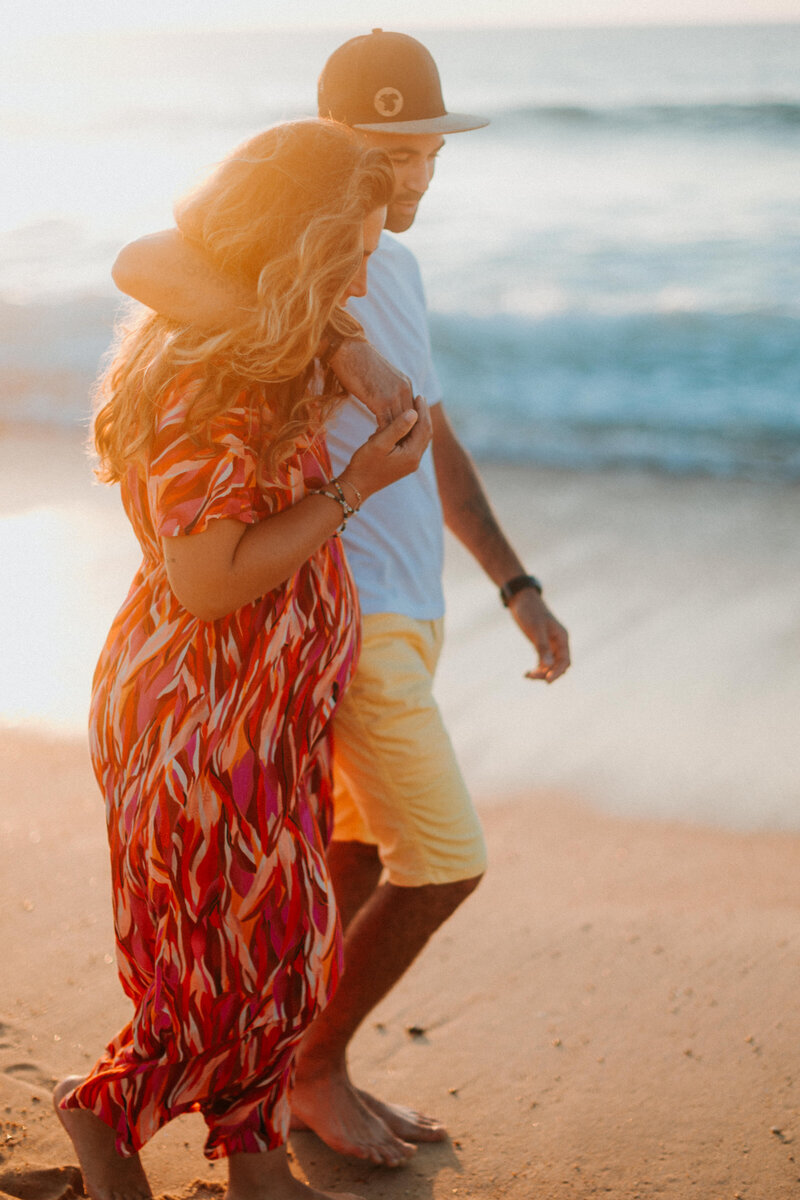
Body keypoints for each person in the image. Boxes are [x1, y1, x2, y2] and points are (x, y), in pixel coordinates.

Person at [111, 29, 571, 1169]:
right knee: (445, 854)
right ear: (330, 155)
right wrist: (333, 339)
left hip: (406, 604)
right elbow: (141, 264)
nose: (411, 174)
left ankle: (305, 1079)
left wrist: (512, 584)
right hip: (339, 604)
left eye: (425, 150)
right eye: (385, 151)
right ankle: (305, 1067)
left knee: (351, 859)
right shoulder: (291, 266)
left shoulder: (390, 266)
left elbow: (438, 437)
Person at [53, 117, 433, 1200]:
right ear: (302, 245)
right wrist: (357, 485)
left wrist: (333, 345)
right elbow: (206, 579)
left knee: (276, 959)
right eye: (349, 254)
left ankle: (253, 1158)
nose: (364, 274)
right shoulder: (209, 383)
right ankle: (103, 1116)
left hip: (259, 715)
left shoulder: (267, 355)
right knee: (225, 978)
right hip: (196, 723)